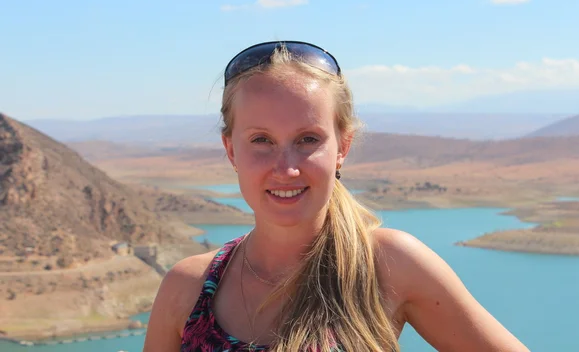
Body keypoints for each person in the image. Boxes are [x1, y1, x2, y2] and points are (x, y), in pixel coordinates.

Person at [143, 41, 530, 352]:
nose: (286, 167)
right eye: (261, 140)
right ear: (231, 150)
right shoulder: (187, 287)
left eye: (307, 139)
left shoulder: (389, 264)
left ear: (342, 146)